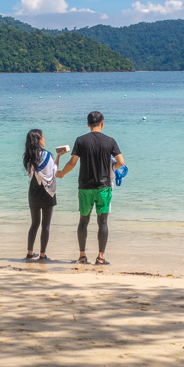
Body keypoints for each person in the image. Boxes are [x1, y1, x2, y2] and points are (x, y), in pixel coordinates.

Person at [57, 111, 125, 265]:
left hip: (85, 187)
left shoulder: (81, 141)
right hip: (103, 188)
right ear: (102, 123)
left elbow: (72, 163)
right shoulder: (110, 141)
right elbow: (121, 161)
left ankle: (82, 256)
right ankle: (100, 257)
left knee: (83, 221)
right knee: (102, 223)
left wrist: (61, 174)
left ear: (88, 124)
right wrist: (111, 167)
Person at [23, 129, 65, 261]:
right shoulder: (47, 155)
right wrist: (58, 157)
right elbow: (53, 172)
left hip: (34, 192)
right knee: (46, 224)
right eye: (43, 137)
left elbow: (33, 173)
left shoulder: (28, 157)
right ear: (39, 139)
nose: (44, 139)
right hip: (47, 192)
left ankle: (30, 253)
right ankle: (42, 255)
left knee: (34, 223)